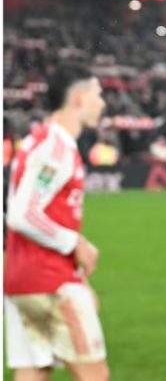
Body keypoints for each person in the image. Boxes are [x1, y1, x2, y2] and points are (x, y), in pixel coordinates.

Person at [4, 65, 109, 381]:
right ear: (78, 98)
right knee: (95, 376)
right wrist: (75, 243)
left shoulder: (39, 140)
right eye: (97, 95)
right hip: (50, 281)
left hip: (22, 280)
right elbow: (22, 213)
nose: (102, 103)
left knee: (33, 371)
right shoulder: (56, 145)